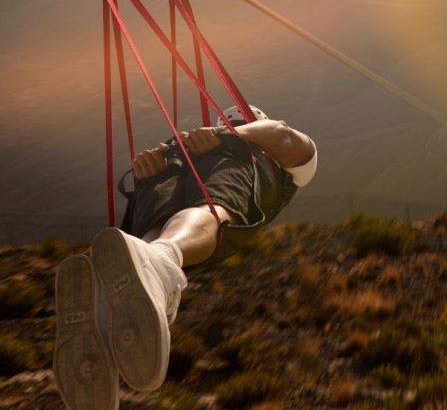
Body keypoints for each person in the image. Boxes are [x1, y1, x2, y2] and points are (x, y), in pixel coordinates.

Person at [52, 104, 317, 410]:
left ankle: (156, 270)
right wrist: (151, 170)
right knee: (158, 226)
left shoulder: (284, 160)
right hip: (186, 179)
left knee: (210, 205)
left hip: (232, 172)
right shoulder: (196, 147)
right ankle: (142, 286)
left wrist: (223, 135)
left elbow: (280, 134)